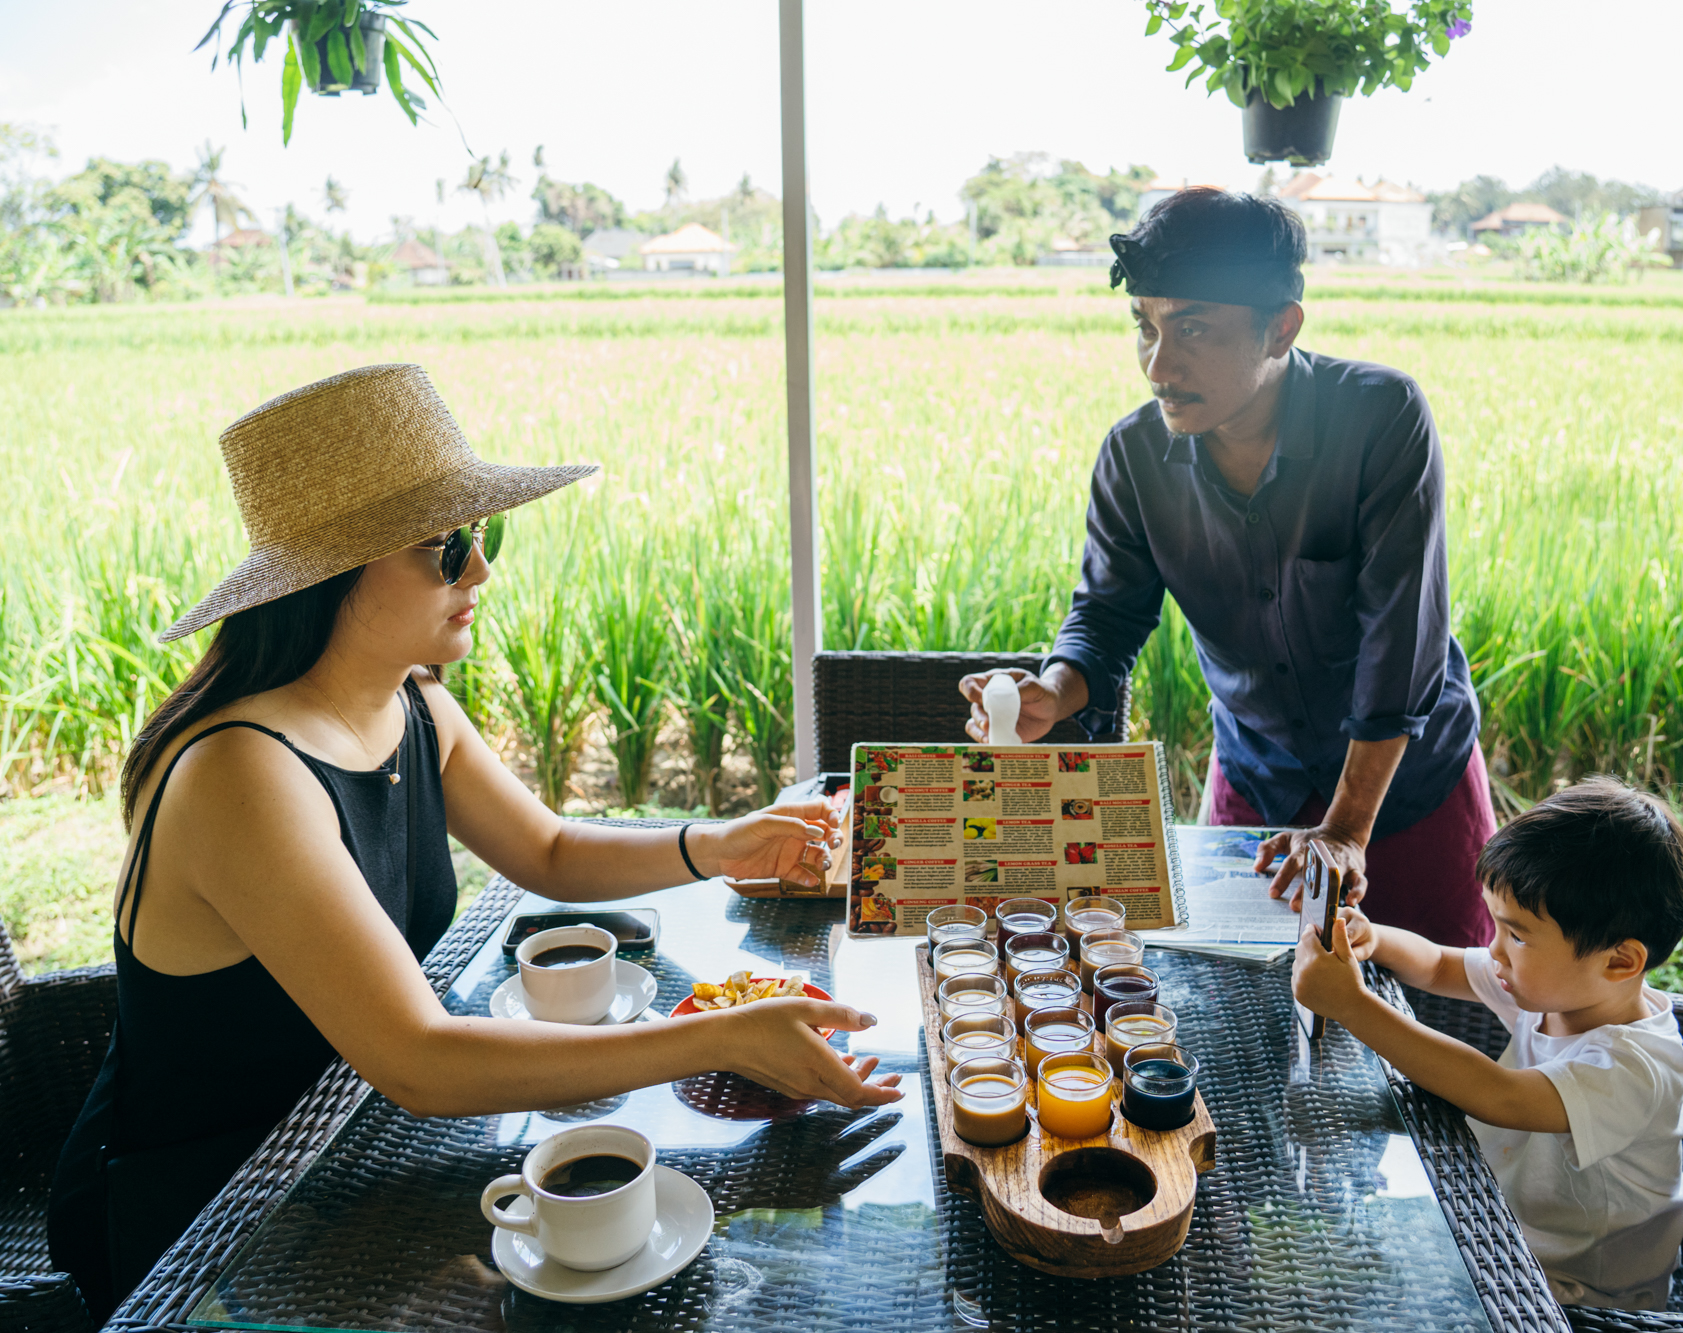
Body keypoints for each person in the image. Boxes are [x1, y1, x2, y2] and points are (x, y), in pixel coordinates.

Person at [50, 364, 900, 1320]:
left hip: (346, 1143)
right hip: (215, 1212)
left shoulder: (410, 701)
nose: (482, 570)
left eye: (482, 538)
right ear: (331, 574)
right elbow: (423, 1059)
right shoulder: (243, 775)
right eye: (447, 547)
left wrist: (719, 842)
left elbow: (548, 851)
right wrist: (714, 1039)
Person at [959, 187, 1493, 946]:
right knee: (1242, 1014)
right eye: (1144, 325)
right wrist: (1052, 690)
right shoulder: (1134, 456)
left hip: (1406, 787)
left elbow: (1400, 639)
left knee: (1442, 1014)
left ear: (1281, 328)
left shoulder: (1381, 417)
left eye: (1194, 328)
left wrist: (1345, 828)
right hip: (1257, 783)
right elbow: (1108, 617)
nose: (1157, 363)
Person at [1292, 777, 1683, 1310]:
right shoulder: (1558, 988)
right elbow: (1441, 964)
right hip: (1502, 1223)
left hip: (1584, 1287)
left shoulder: (1636, 1067)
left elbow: (1500, 1096)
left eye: (1516, 934)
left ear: (1619, 962)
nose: (1495, 950)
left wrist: (1352, 1006)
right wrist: (1376, 938)